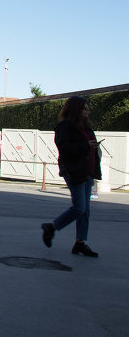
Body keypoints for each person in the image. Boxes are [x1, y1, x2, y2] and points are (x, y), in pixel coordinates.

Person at [41, 96, 101, 257]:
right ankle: (52, 227)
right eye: (84, 107)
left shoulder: (86, 127)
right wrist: (85, 145)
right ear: (75, 109)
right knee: (80, 207)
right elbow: (64, 148)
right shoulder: (65, 126)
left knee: (85, 209)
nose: (87, 110)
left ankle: (80, 242)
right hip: (74, 170)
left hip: (88, 171)